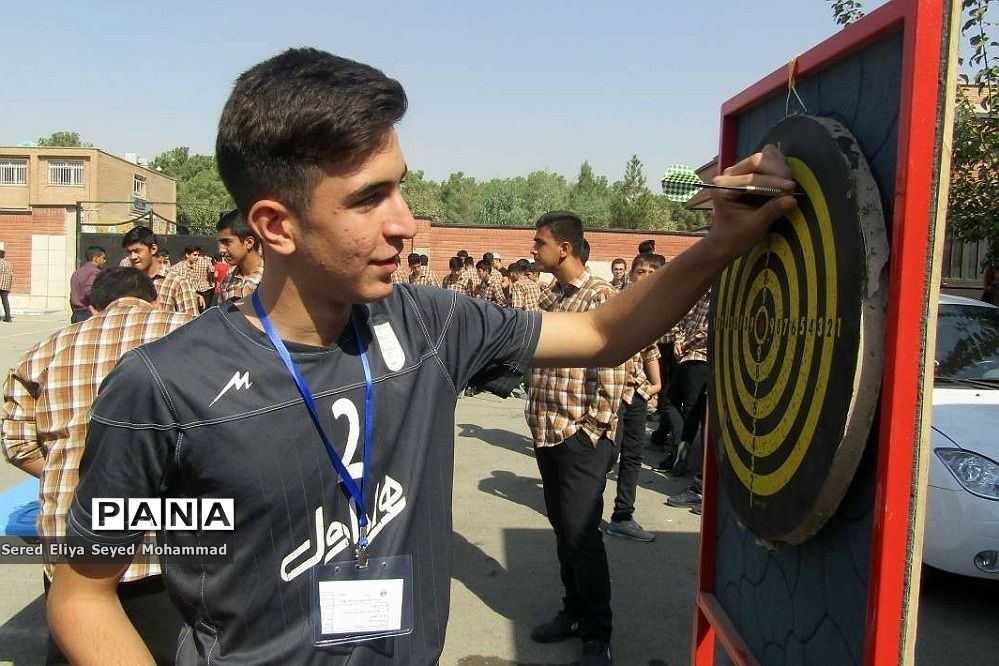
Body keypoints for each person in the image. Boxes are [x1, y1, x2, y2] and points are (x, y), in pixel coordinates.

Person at [47, 47, 795, 666]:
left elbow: (601, 337)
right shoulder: (166, 389)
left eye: (400, 188)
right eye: (369, 199)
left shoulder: (431, 325)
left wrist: (721, 243)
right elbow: (83, 591)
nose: (406, 223)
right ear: (276, 226)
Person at [2, 267, 193, 664]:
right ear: (154, 298)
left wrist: (71, 475)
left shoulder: (45, 350)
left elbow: (16, 444)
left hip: (69, 542)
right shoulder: (191, 332)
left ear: (91, 307)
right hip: (169, 540)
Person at [524, 212, 627, 663]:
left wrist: (592, 431)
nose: (533, 249)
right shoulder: (552, 296)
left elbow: (618, 364)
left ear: (563, 248)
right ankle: (572, 611)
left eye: (539, 242)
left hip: (578, 438)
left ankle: (597, 635)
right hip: (547, 432)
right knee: (564, 530)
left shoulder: (600, 297)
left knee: (583, 536)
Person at [605, 253, 666, 543]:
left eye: (652, 271)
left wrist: (655, 383)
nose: (645, 275)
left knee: (632, 457)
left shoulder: (651, 308)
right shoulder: (613, 299)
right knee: (606, 455)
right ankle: (586, 511)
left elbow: (650, 349)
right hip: (611, 391)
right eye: (640, 270)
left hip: (637, 393)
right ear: (630, 274)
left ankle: (622, 516)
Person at [652, 290, 711, 477]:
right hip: (686, 356)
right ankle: (679, 448)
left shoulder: (719, 296)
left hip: (702, 358)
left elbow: (709, 330)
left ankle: (681, 454)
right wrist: (679, 341)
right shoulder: (700, 293)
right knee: (669, 402)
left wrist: (685, 345)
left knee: (691, 409)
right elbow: (685, 319)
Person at [121, 227, 200, 315]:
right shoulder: (128, 284)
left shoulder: (178, 283)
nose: (133, 257)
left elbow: (193, 324)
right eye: (129, 252)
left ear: (153, 249)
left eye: (137, 251)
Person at [217, 209, 265, 301]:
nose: (221, 250)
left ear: (249, 242)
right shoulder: (227, 282)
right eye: (221, 242)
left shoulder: (274, 280)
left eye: (227, 242)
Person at [69, 246, 107, 323]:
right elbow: (88, 292)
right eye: (103, 258)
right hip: (88, 314)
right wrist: (93, 309)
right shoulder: (96, 272)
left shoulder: (77, 272)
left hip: (76, 314)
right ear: (96, 259)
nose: (105, 261)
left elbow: (72, 295)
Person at [0, 248, 13, 322]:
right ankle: (8, 317)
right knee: (5, 301)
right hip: (6, 285)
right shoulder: (9, 264)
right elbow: (11, 275)